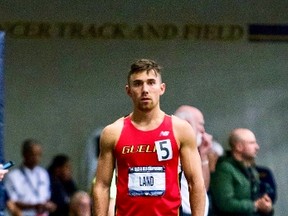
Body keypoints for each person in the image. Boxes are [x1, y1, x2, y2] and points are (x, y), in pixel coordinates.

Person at [92, 59, 206, 216]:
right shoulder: (113, 132)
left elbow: (196, 182)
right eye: (138, 84)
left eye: (151, 82)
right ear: (128, 90)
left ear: (162, 88)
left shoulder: (180, 130)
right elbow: (102, 186)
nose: (145, 89)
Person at [210, 128, 274, 216]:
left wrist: (267, 207)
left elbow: (256, 195)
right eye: (252, 143)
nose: (257, 147)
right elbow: (225, 203)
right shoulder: (224, 169)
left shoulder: (250, 169)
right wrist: (255, 205)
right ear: (239, 147)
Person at [174, 105, 212, 216]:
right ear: (186, 124)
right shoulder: (172, 148)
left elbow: (202, 187)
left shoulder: (192, 151)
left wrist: (204, 155)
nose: (203, 130)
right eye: (200, 124)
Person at [4, 138, 56, 216]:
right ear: (24, 154)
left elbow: (46, 196)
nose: (36, 158)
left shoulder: (43, 173)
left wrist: (49, 205)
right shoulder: (13, 176)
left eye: (39, 154)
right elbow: (11, 202)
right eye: (33, 154)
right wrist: (34, 206)